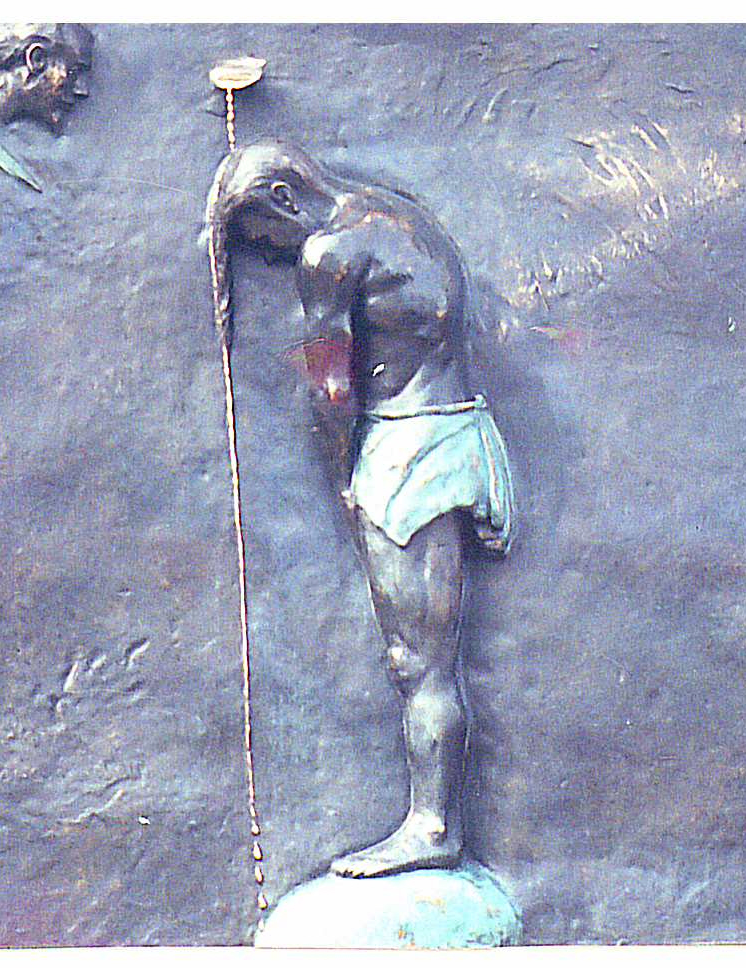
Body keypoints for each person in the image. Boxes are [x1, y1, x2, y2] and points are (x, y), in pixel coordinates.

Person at [206, 141, 515, 877]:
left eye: (261, 237)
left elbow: (330, 387)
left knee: (419, 662)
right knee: (429, 658)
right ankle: (435, 822)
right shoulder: (395, 215)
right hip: (453, 432)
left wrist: (343, 476)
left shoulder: (328, 251)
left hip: (408, 455)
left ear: (283, 201)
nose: (270, 255)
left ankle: (432, 828)